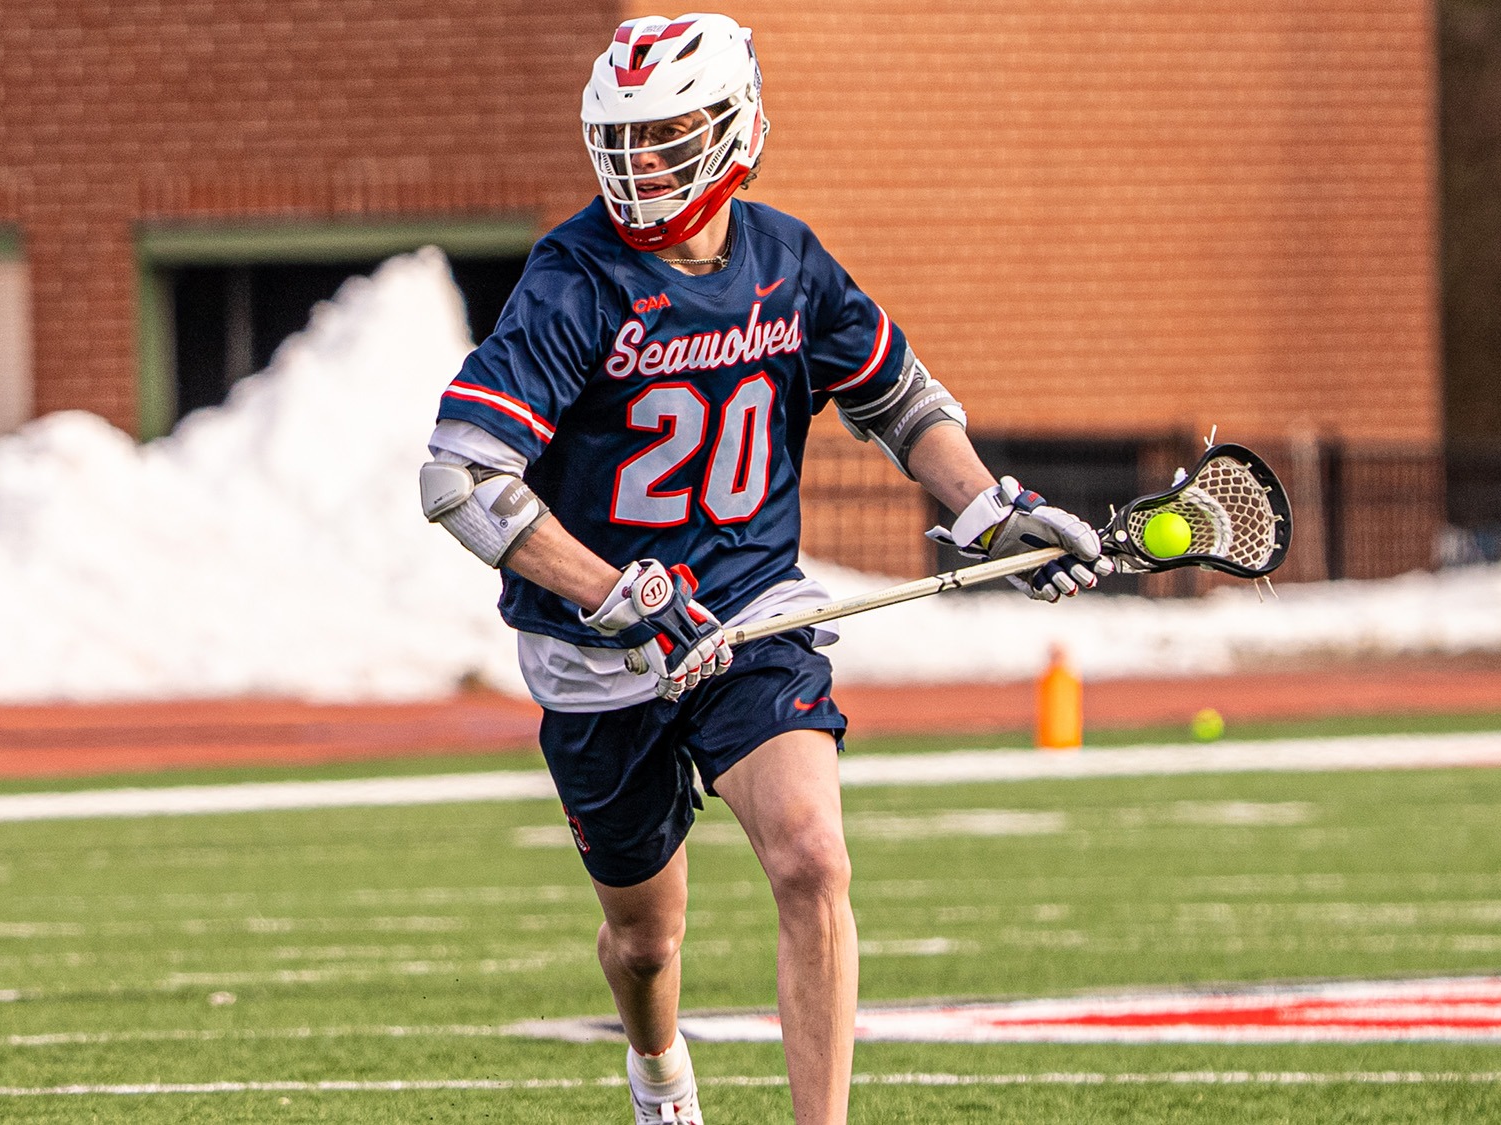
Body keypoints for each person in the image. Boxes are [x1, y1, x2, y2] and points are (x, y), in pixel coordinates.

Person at [419, 14, 1107, 1123]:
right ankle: (658, 1077)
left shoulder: (784, 260)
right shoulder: (574, 278)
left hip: (746, 617)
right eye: (626, 140)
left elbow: (896, 395)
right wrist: (613, 592)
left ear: (736, 132)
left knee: (809, 860)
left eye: (670, 135)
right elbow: (458, 476)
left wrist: (986, 506)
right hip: (599, 650)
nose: (643, 165)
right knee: (645, 945)